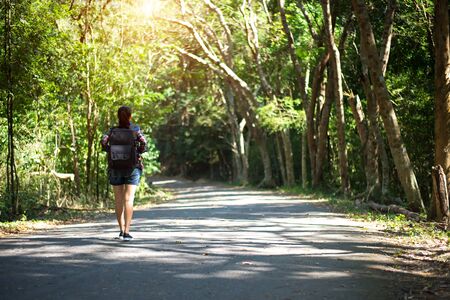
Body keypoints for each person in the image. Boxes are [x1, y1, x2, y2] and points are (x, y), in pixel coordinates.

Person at [101, 106, 147, 241]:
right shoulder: (135, 130)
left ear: (118, 116)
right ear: (130, 116)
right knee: (129, 199)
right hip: (132, 167)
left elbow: (103, 142)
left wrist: (111, 151)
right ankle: (127, 232)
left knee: (118, 199)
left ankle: (121, 230)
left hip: (115, 167)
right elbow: (144, 143)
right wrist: (137, 151)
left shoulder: (112, 131)